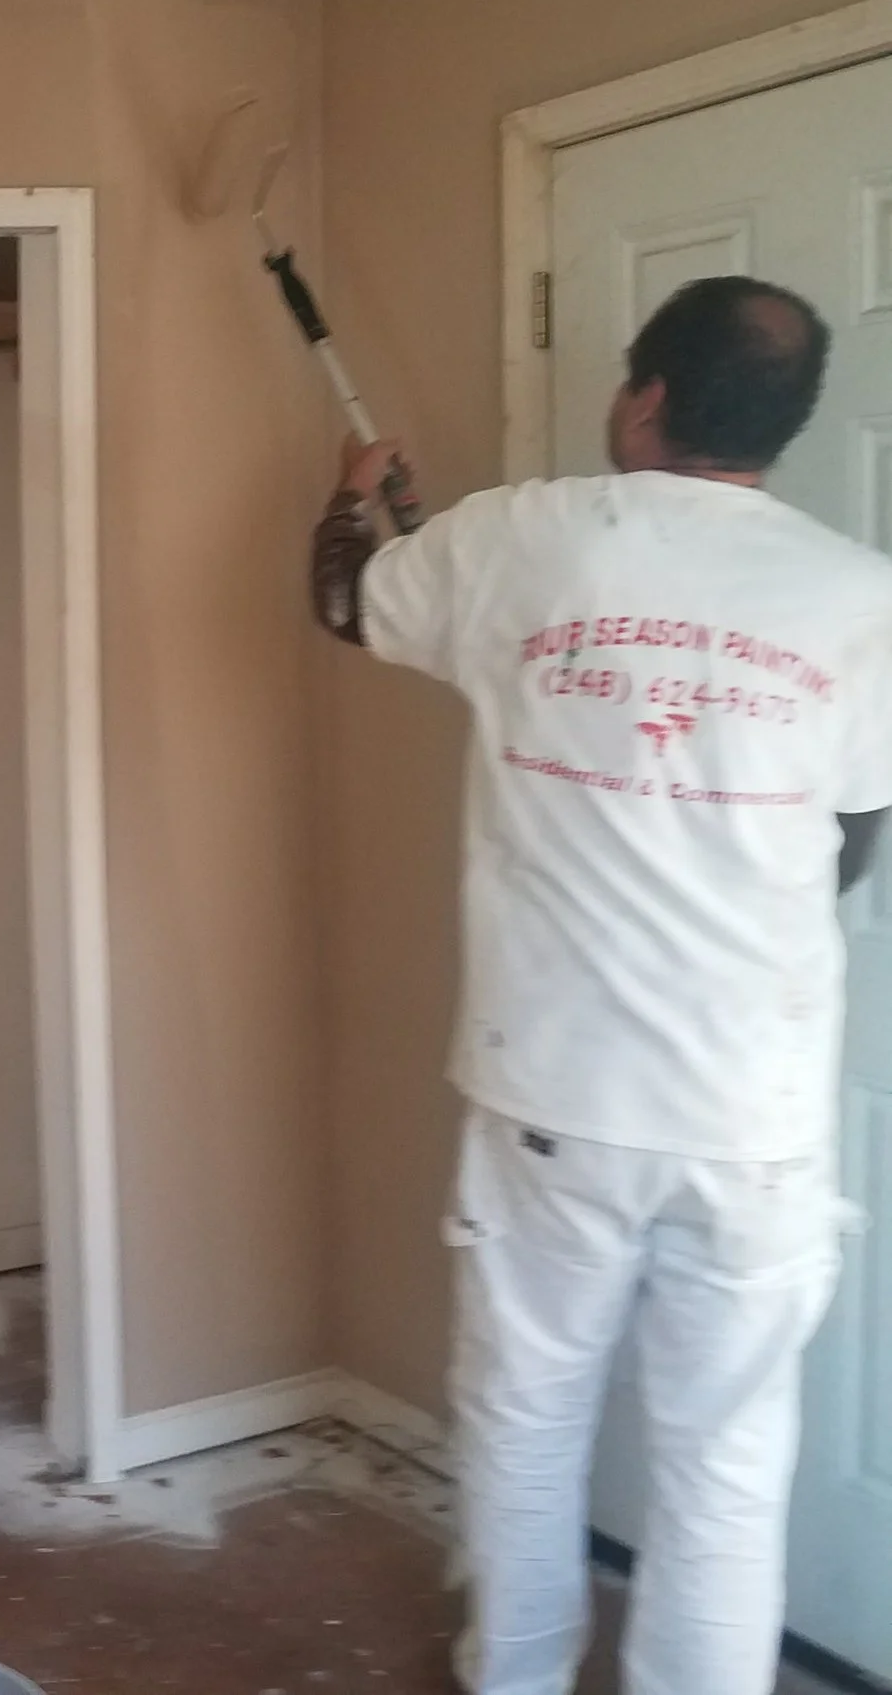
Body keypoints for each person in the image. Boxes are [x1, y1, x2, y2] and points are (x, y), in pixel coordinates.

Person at [313, 274, 892, 1695]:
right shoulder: (861, 599)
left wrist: (355, 496)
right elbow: (859, 831)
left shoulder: (521, 540)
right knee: (727, 1470)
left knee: (525, 1420)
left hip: (550, 1096)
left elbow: (348, 604)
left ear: (646, 396)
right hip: (750, 1116)